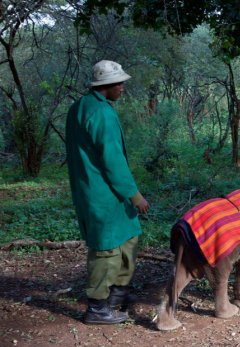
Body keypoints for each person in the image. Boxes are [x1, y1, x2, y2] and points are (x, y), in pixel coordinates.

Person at [66, 60, 150, 325]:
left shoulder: (80, 106)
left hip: (94, 190)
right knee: (106, 249)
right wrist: (135, 196)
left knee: (129, 236)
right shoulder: (101, 113)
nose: (122, 88)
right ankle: (97, 308)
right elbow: (112, 161)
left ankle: (117, 297)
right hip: (103, 193)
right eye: (119, 83)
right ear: (106, 86)